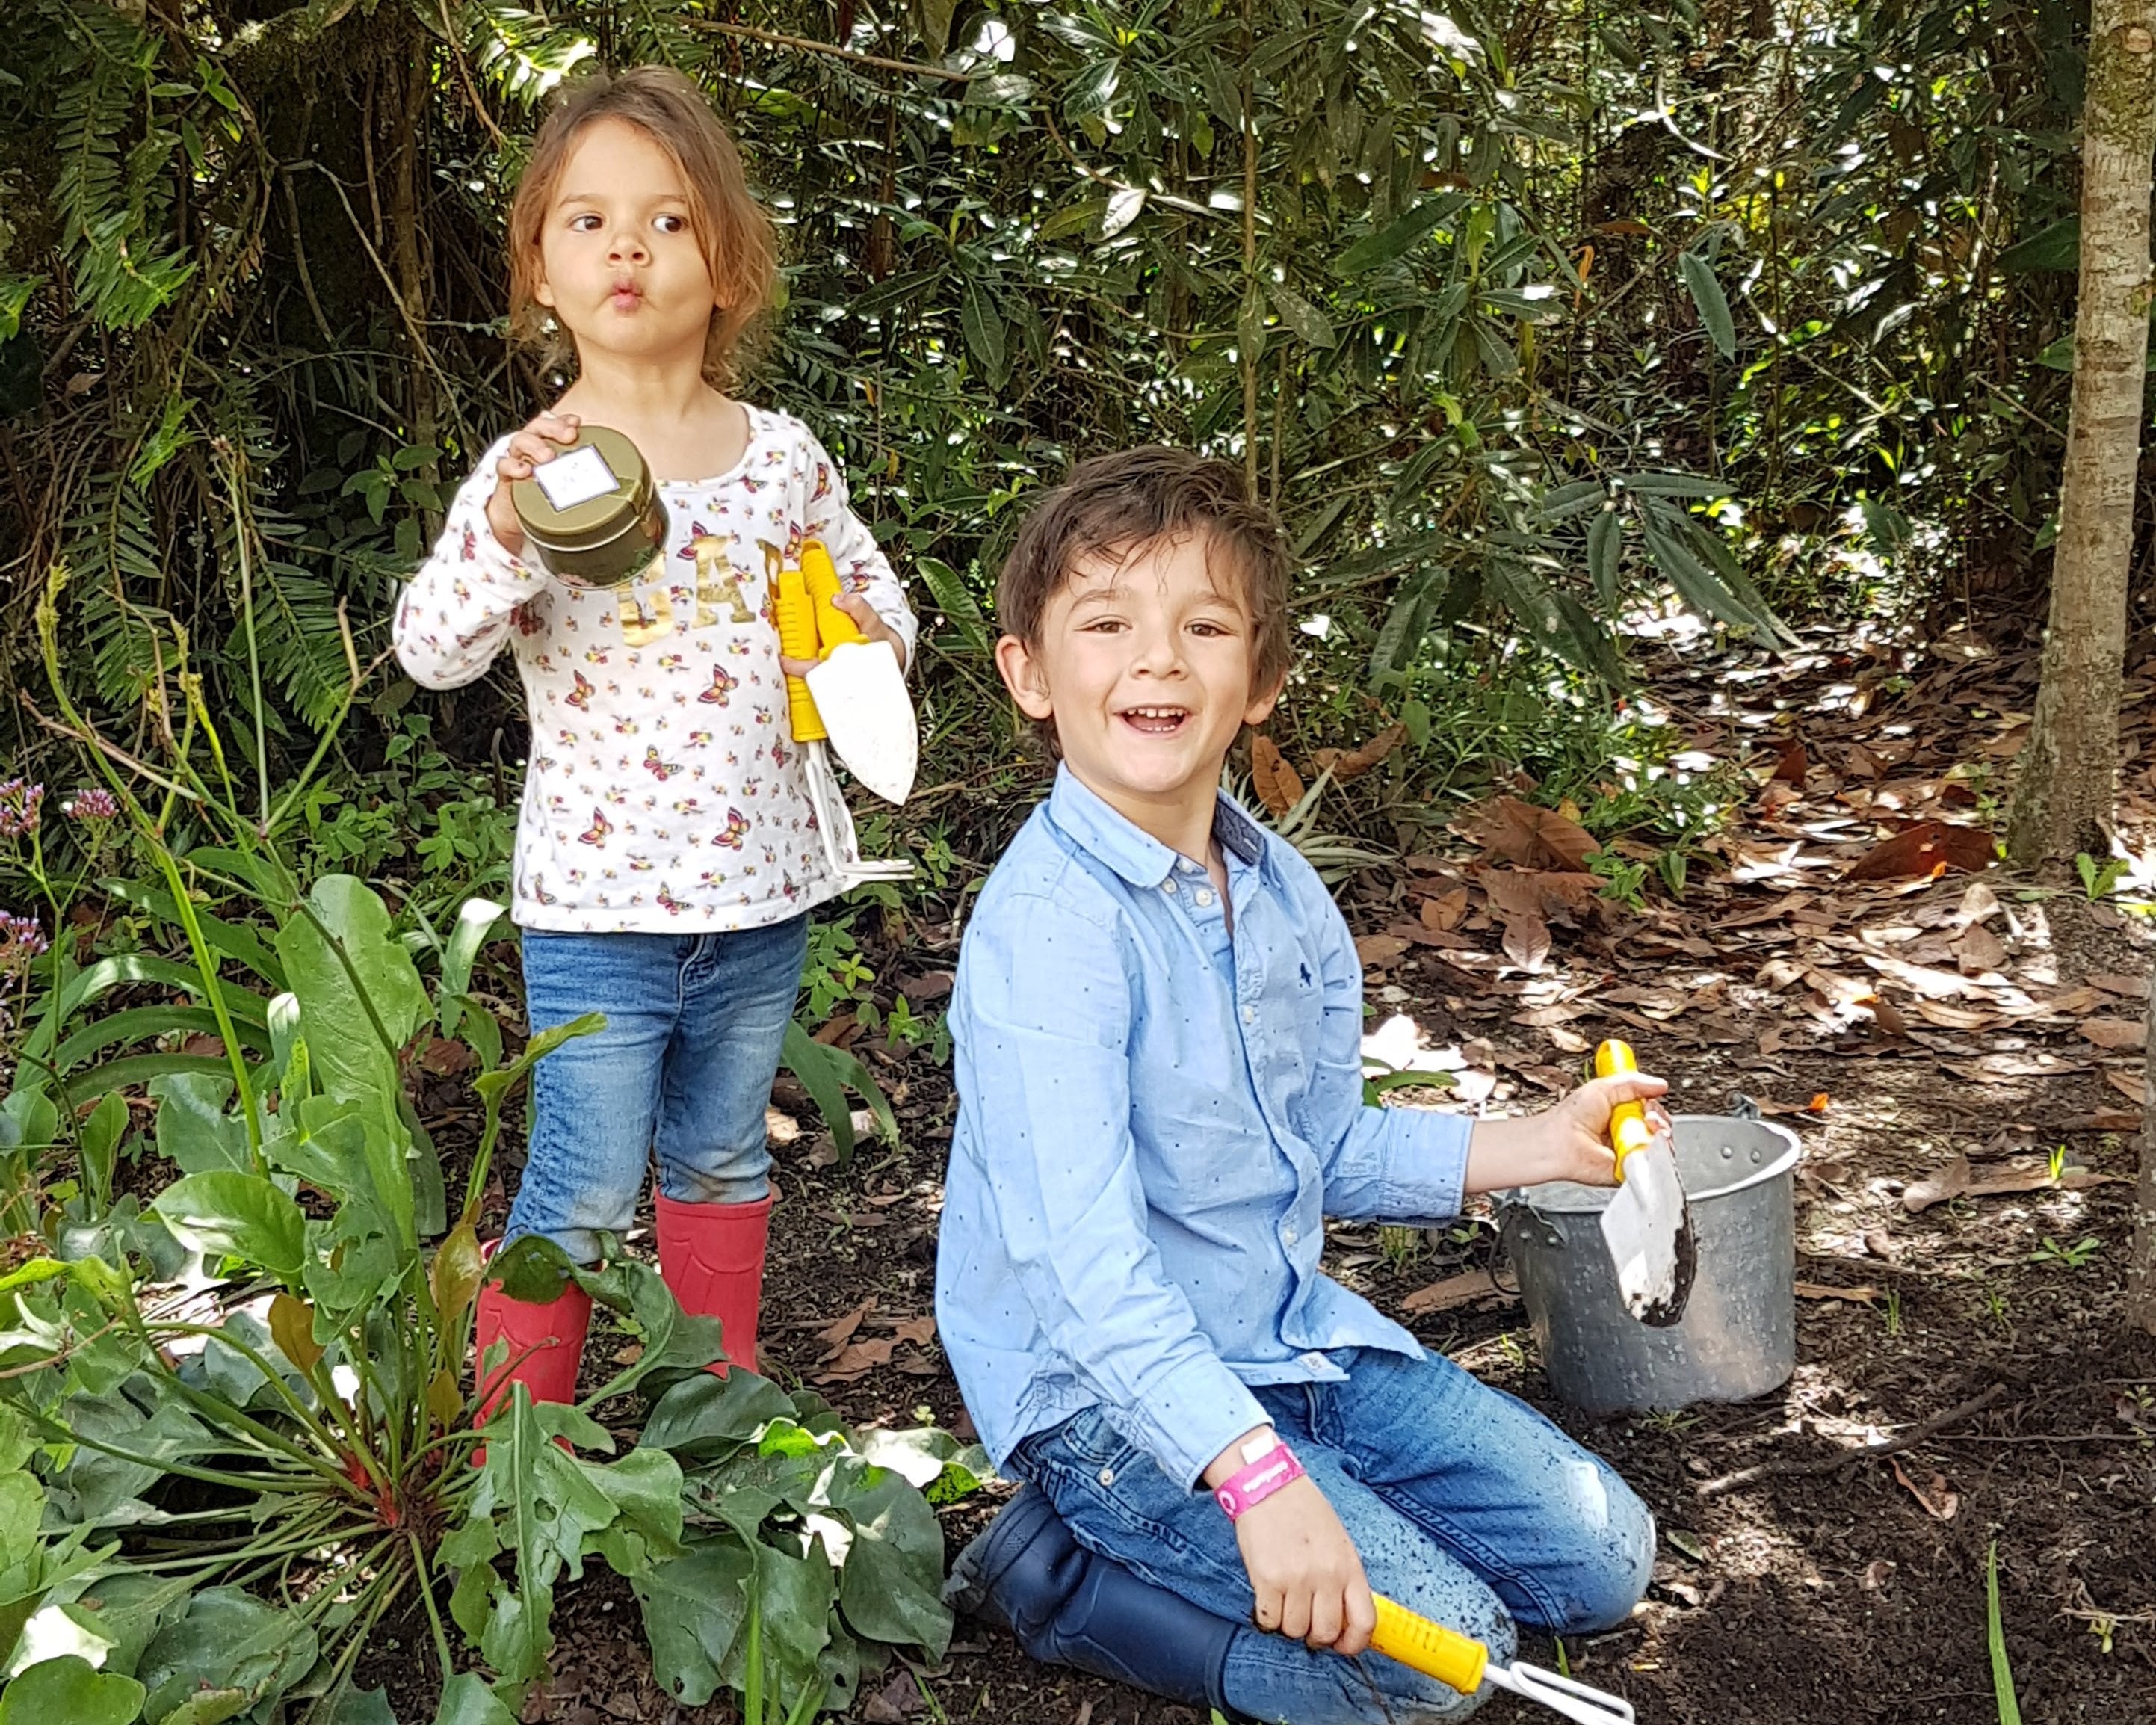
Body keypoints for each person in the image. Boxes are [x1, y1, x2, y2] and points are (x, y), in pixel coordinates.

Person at [934, 447, 1658, 1723]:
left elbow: (1312, 1140)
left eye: (1202, 627)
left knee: (1602, 1560)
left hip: (1283, 1339)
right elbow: (1079, 1264)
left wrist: (1536, 1144)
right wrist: (1255, 1483)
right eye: (1106, 624)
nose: (1156, 659)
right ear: (1031, 675)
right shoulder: (1047, 935)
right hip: (1107, 1396)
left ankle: (1313, 1489)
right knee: (1438, 1669)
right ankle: (1061, 1583)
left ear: (1258, 680)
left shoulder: (1277, 890)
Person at [393, 67, 915, 1410]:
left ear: (730, 262)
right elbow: (431, 649)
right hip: (597, 905)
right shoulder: (531, 470)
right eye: (588, 221)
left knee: (726, 1158)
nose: (628, 246)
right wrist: (503, 542)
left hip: (761, 894)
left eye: (669, 220)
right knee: (581, 1182)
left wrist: (858, 626)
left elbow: (880, 620)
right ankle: (519, 1447)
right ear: (540, 274)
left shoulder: (782, 460)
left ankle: (717, 1402)